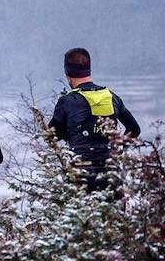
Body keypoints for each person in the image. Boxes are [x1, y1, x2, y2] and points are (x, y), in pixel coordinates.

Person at [49, 48, 141, 192]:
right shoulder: (111, 97)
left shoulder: (67, 101)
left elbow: (51, 135)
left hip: (81, 173)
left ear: (67, 74)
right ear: (89, 69)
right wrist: (117, 150)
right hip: (111, 171)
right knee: (114, 214)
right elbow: (134, 130)